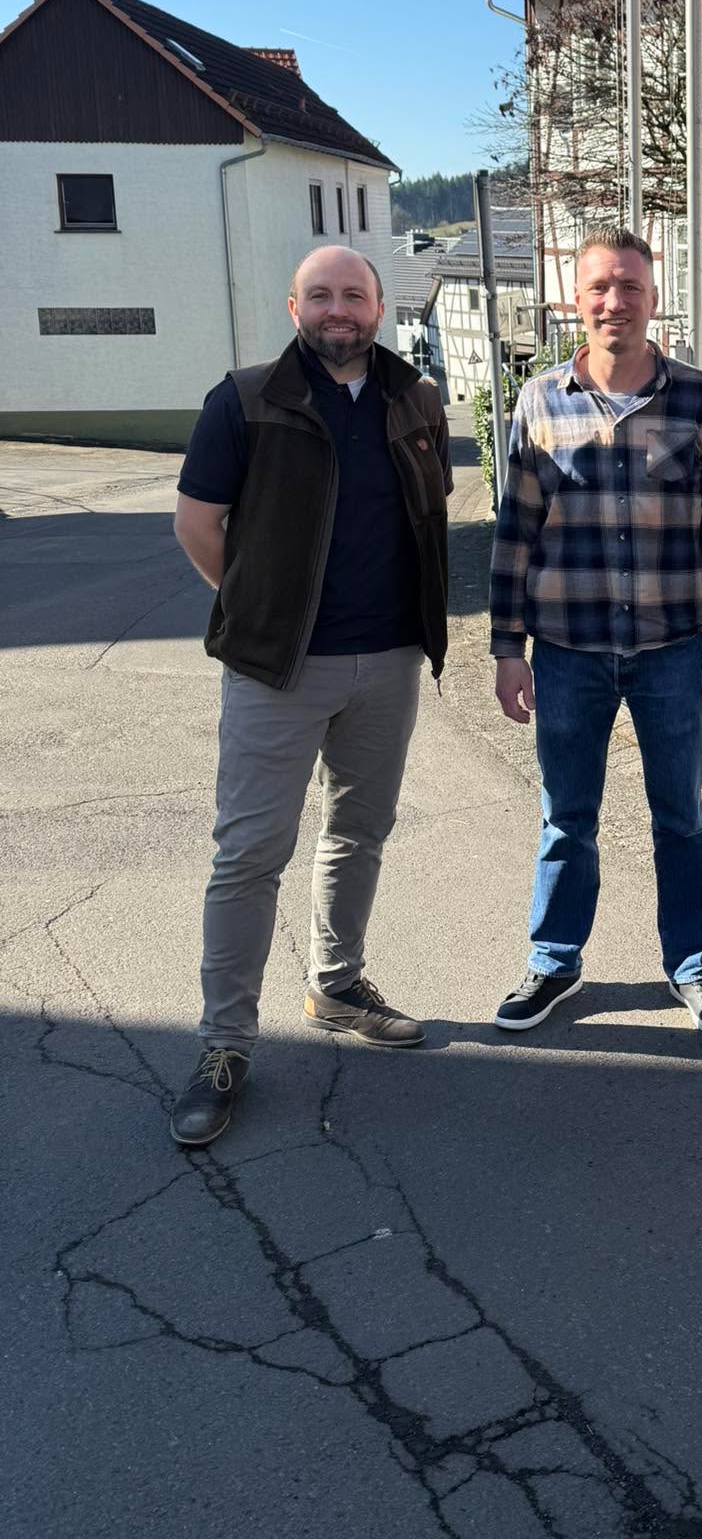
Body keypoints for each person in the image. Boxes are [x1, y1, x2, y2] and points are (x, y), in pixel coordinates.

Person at [169, 244, 452, 1147]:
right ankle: (223, 1045)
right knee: (250, 855)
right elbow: (197, 523)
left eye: (354, 295)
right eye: (321, 295)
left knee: (359, 832)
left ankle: (337, 986)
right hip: (277, 670)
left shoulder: (416, 399)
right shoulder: (246, 399)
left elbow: (427, 516)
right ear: (294, 308)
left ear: (379, 307)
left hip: (389, 660)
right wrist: (261, 609)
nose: (340, 309)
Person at [490, 228, 702, 1037]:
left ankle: (693, 963)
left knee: (681, 816)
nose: (616, 302)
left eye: (630, 287)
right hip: (566, 651)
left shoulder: (698, 400)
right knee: (566, 817)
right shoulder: (541, 400)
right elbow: (515, 534)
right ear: (576, 300)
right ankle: (554, 960)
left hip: (671, 650)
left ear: (653, 297)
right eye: (600, 287)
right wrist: (507, 648)